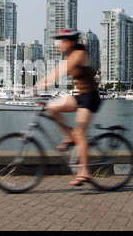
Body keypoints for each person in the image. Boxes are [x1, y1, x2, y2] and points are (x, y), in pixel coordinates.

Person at [36, 29, 101, 186]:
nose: (59, 45)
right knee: (51, 108)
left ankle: (84, 171)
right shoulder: (68, 56)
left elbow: (64, 70)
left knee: (79, 133)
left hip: (90, 98)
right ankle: (68, 137)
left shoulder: (79, 53)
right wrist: (38, 84)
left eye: (62, 42)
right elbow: (56, 72)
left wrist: (46, 83)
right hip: (79, 96)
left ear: (70, 42)